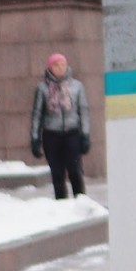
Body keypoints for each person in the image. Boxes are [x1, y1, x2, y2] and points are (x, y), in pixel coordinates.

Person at [29, 51, 91, 200]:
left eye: (63, 64)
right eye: (56, 65)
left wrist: (85, 135)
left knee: (75, 170)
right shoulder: (43, 88)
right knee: (57, 173)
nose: (60, 68)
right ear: (50, 68)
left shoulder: (77, 86)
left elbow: (83, 110)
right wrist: (35, 138)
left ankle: (81, 201)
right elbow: (37, 114)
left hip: (72, 133)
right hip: (51, 134)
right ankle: (61, 204)